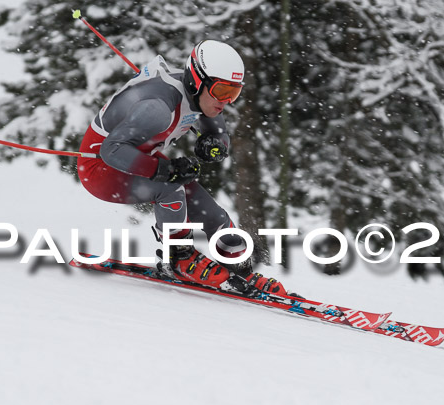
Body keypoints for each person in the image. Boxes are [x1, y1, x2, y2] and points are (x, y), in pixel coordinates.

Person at [77, 40, 289, 296]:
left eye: (234, 93)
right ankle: (178, 258)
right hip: (101, 168)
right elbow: (110, 150)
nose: (226, 101)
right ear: (198, 81)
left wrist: (214, 144)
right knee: (171, 189)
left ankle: (240, 271)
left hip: (140, 157)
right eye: (223, 91)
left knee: (212, 213)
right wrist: (160, 170)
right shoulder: (157, 109)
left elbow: (219, 133)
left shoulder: (205, 98)